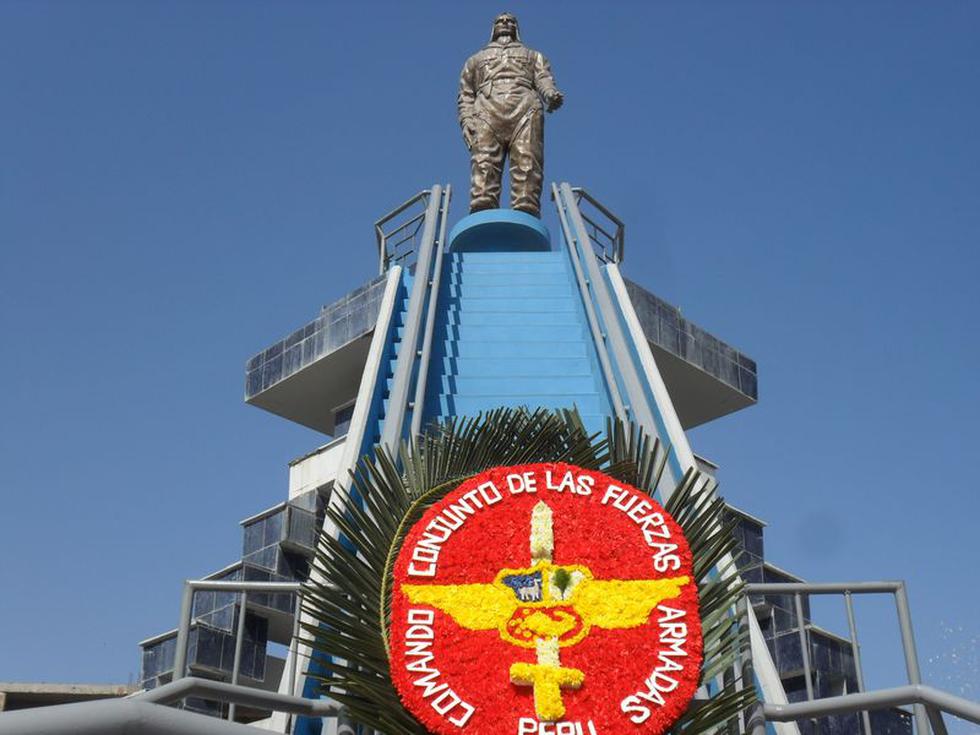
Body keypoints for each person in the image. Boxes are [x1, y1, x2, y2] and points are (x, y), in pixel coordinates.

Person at [457, 13, 564, 218]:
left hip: (525, 108)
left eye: (510, 21)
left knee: (528, 161)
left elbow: (543, 78)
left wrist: (550, 94)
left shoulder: (534, 56)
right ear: (493, 28)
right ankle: (483, 208)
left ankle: (526, 208)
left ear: (516, 27)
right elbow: (466, 94)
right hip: (486, 110)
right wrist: (466, 119)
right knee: (484, 162)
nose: (505, 23)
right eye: (500, 20)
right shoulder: (475, 60)